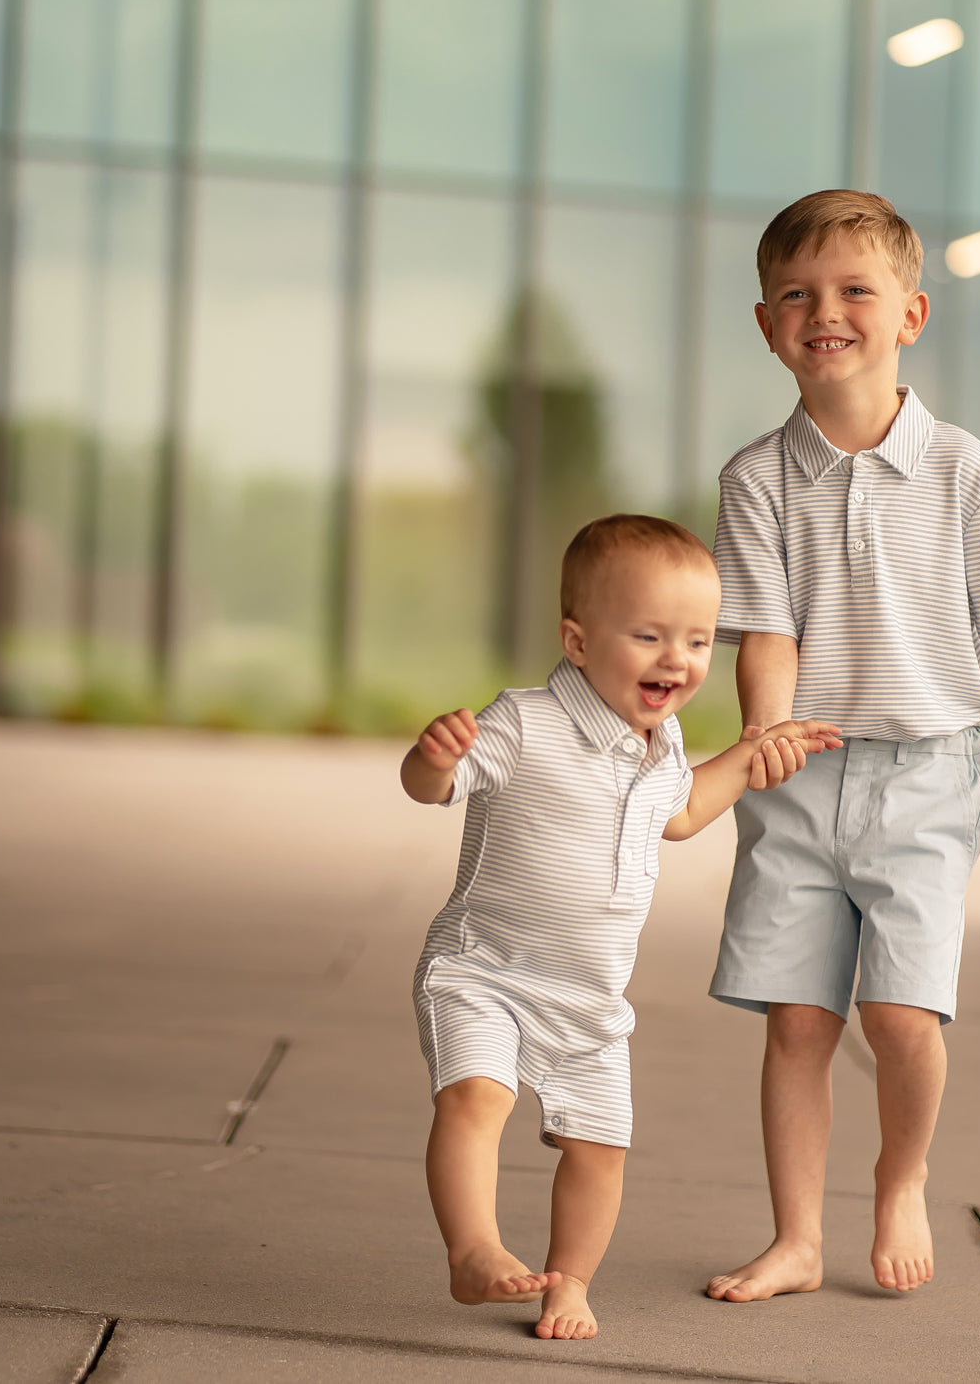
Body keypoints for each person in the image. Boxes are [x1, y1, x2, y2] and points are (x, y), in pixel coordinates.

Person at [704, 190, 980, 1303]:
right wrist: (763, 730)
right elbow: (767, 634)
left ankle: (900, 1176)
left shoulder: (962, 469)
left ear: (909, 313)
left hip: (926, 774)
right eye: (799, 295)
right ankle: (796, 1240)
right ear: (767, 325)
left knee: (902, 1016)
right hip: (800, 781)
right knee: (799, 1021)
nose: (828, 312)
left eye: (856, 290)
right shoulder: (755, 478)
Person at [401, 514, 841, 1341]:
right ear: (577, 640)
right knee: (477, 1097)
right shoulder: (525, 723)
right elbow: (431, 789)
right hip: (484, 971)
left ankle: (568, 1284)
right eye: (648, 635)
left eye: (700, 641)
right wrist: (432, 757)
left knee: (599, 1152)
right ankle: (473, 1249)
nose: (677, 660)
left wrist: (748, 759)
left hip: (591, 1003)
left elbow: (678, 815)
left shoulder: (662, 744)